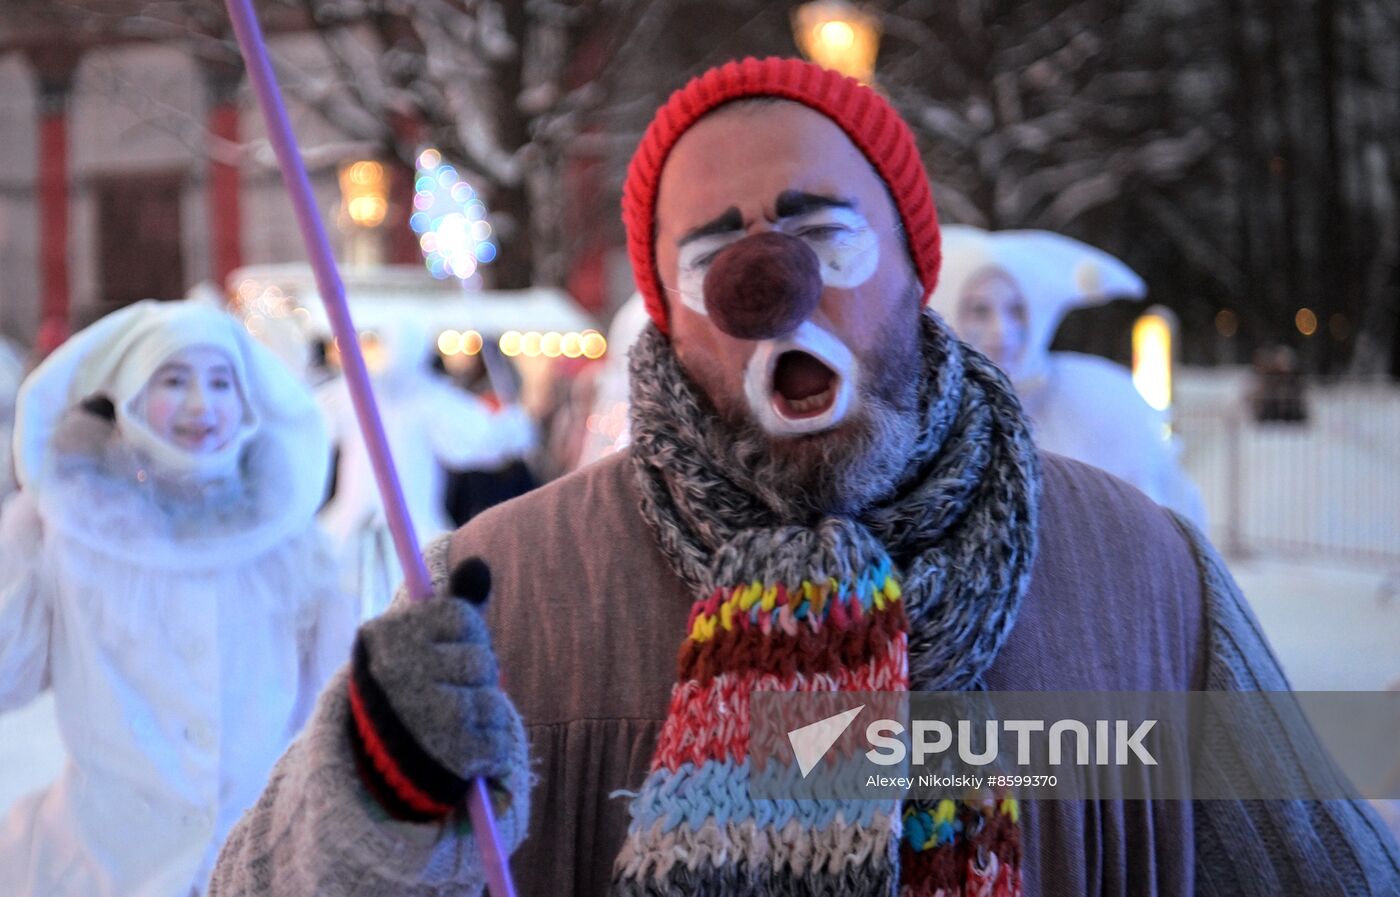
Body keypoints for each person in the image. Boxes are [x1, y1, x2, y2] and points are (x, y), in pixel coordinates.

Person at [211, 58, 1399, 896]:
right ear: (669, 323)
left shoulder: (1143, 578)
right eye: (710, 254)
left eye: (822, 235)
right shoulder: (498, 592)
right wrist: (371, 809)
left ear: (912, 270)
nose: (765, 283)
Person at [0, 300, 357, 896]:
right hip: (101, 862)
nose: (201, 405)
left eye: (221, 382)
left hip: (260, 855)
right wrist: (18, 556)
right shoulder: (68, 532)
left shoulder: (289, 545)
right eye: (173, 380)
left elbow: (338, 692)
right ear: (130, 395)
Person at [929, 224, 1207, 526]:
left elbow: (1162, 520)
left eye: (1017, 310)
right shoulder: (924, 413)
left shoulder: (1102, 401)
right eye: (980, 311)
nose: (1002, 332)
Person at [316, 312, 536, 618]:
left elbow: (476, 439)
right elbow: (478, 439)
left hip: (396, 523)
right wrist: (511, 430)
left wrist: (510, 431)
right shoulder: (374, 393)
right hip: (374, 522)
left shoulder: (373, 393)